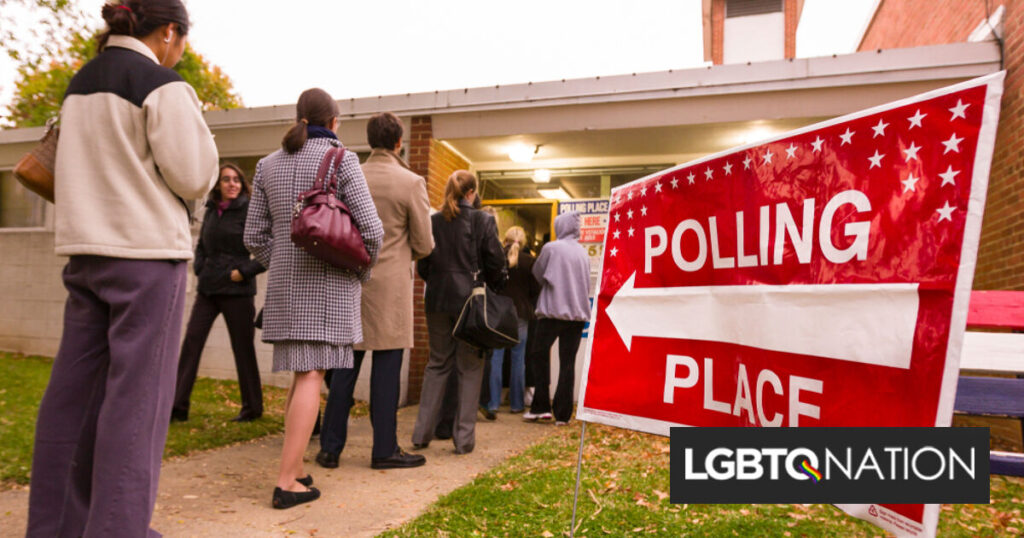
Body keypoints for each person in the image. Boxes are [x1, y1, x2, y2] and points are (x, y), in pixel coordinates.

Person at [27, 1, 219, 536]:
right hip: (146, 259)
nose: (181, 51)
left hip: (86, 254)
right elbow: (194, 173)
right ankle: (117, 528)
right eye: (182, 41)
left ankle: (56, 527)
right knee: (136, 408)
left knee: (71, 398)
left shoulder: (80, 84)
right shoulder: (160, 84)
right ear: (169, 33)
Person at [245, 88, 383, 509]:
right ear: (335, 121)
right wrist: (358, 270)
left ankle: (296, 464)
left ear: (300, 117)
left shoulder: (267, 165)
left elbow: (253, 237)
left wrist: (284, 261)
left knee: (300, 375)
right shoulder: (343, 160)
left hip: (286, 290)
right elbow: (372, 232)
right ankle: (287, 481)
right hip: (327, 287)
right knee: (311, 376)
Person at [316, 112, 433, 470]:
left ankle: (330, 448)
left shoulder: (348, 176)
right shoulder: (411, 182)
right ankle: (384, 449)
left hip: (350, 282)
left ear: (370, 140)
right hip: (391, 289)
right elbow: (426, 243)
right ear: (400, 142)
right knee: (386, 372)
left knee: (344, 370)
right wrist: (403, 252)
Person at [411, 170, 506, 454]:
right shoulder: (483, 220)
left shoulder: (434, 222)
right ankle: (463, 440)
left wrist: (440, 282)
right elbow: (496, 263)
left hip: (438, 301)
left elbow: (424, 266)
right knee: (470, 368)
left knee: (437, 364)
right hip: (471, 303)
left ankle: (421, 434)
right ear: (472, 193)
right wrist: (494, 287)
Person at [171, 163, 266, 423]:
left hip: (237, 290)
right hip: (209, 288)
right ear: (218, 185)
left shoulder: (250, 210)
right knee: (192, 342)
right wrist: (201, 266)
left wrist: (245, 271)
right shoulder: (212, 209)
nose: (232, 184)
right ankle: (178, 406)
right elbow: (202, 244)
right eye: (226, 180)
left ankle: (252, 408)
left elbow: (271, 247)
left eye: (236, 179)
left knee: (242, 348)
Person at [523, 212, 592, 425]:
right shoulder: (583, 253)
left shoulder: (551, 248)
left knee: (538, 355)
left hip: (552, 311)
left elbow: (537, 272)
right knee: (568, 363)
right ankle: (563, 414)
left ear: (559, 226)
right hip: (577, 314)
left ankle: (541, 406)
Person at [487, 226, 540, 414]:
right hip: (521, 313)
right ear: (523, 242)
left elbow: (491, 284)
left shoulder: (496, 258)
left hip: (499, 313)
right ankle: (517, 404)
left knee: (496, 358)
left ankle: (493, 403)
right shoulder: (530, 262)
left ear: (505, 239)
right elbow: (536, 290)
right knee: (519, 359)